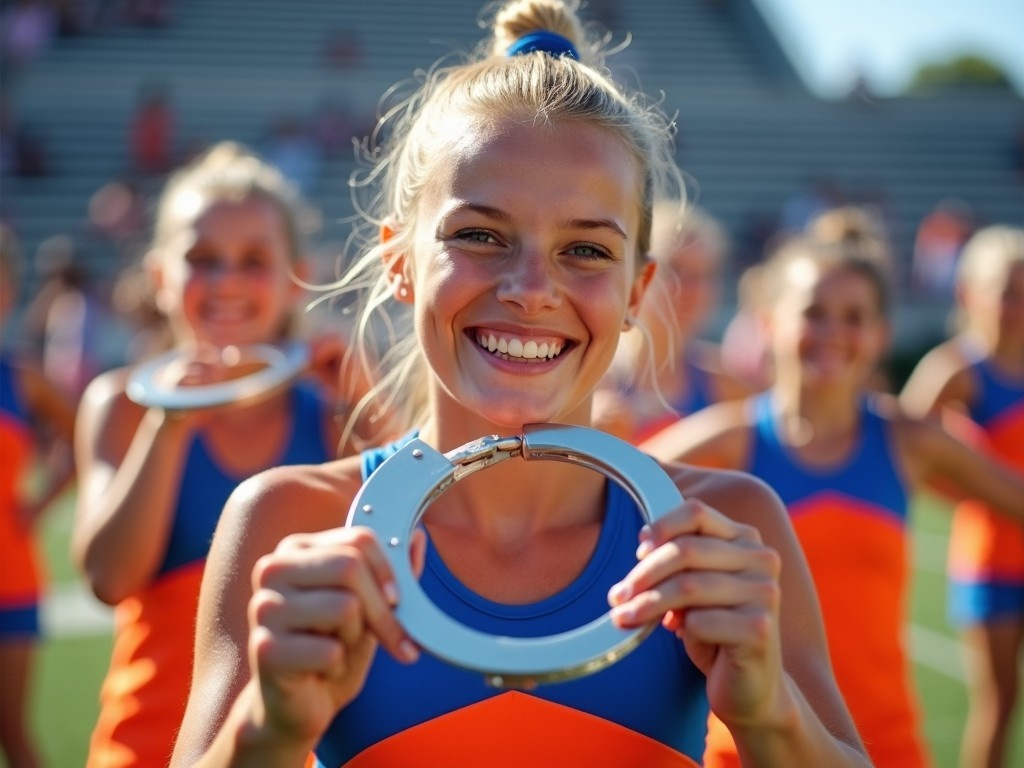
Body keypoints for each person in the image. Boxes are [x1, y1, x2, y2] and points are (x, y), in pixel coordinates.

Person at [171, 3, 871, 767]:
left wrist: (773, 717)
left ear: (637, 291)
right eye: (480, 235)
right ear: (401, 260)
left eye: (586, 250)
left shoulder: (724, 529)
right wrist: (268, 730)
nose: (532, 288)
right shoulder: (290, 523)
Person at [641, 231, 1024, 768]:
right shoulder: (729, 438)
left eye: (854, 317)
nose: (833, 333)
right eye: (814, 313)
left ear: (880, 334)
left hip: (883, 747)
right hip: (748, 748)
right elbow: (601, 493)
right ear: (771, 322)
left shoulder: (909, 439)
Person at [72, 141, 388, 768]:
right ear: (161, 277)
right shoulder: (123, 404)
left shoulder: (327, 408)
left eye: (253, 261)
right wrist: (167, 428)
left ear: (295, 277)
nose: (227, 283)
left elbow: (412, 545)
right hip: (144, 747)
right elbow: (110, 578)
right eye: (202, 259)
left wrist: (370, 404)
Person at [900, 225, 1024, 768]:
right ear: (971, 293)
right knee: (999, 701)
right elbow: (898, 445)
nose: (1017, 306)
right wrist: (968, 491)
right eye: (1007, 291)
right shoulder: (959, 369)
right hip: (989, 562)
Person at [0, 223, 77, 768]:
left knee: (13, 735)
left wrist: (42, 504)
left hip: (11, 577)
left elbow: (84, 440)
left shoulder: (23, 379)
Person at [592, 201, 751, 444]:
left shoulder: (727, 385)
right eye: (675, 271)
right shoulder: (594, 379)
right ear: (638, 276)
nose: (691, 289)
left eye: (704, 276)